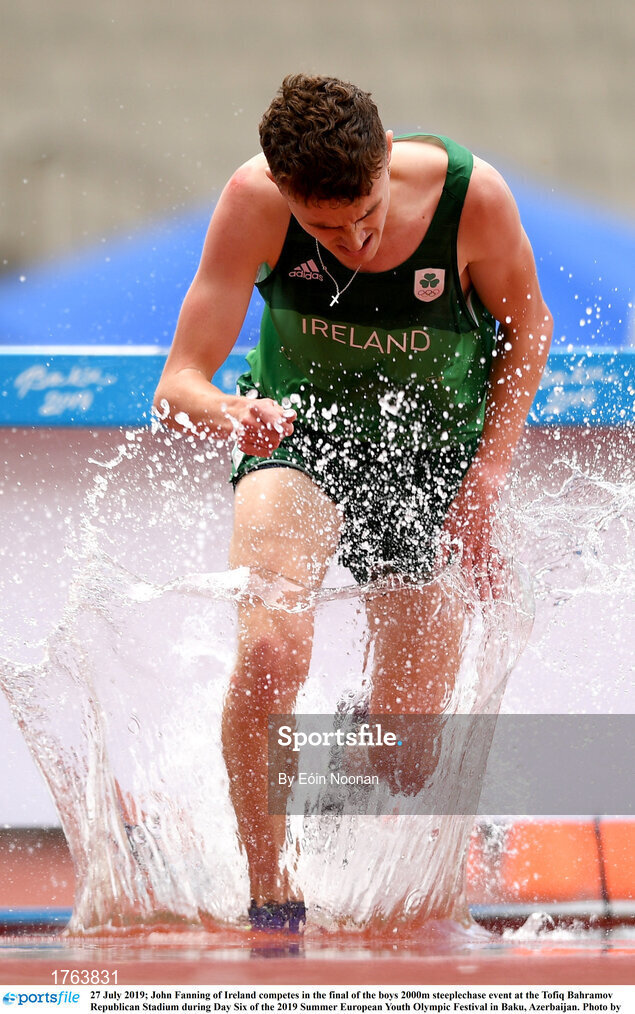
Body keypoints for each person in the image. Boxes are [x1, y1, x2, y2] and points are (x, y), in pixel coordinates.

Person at [154, 73, 552, 933]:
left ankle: (342, 743)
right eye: (323, 227)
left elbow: (530, 330)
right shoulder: (250, 201)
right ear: (284, 193)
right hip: (301, 437)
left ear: (384, 163)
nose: (354, 240)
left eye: (366, 213)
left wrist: (483, 480)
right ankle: (271, 887)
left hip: (428, 450)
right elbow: (179, 382)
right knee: (268, 648)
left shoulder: (469, 199)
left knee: (406, 760)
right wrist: (232, 410)